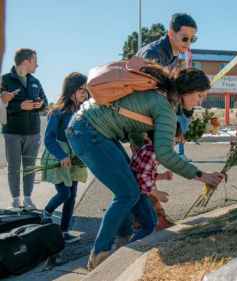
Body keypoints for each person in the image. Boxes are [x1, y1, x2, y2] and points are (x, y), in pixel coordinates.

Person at [66, 65, 224, 270]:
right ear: (186, 91)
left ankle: (124, 246)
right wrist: (202, 176)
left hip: (94, 130)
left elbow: (133, 124)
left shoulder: (160, 96)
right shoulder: (165, 107)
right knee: (127, 194)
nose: (200, 101)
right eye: (199, 95)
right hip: (89, 132)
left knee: (144, 213)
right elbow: (166, 154)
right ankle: (100, 255)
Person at [136, 13, 198, 160]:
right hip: (138, 123)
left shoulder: (173, 56)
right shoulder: (153, 55)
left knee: (147, 178)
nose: (188, 44)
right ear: (171, 34)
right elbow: (150, 96)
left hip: (148, 122)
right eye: (185, 38)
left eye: (192, 39)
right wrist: (173, 128)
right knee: (140, 179)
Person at [40, 72, 89, 244]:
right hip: (58, 155)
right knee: (64, 193)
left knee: (72, 195)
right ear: (71, 90)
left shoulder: (83, 110)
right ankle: (46, 212)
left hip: (74, 156)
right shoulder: (58, 111)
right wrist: (61, 155)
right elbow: (49, 138)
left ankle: (64, 231)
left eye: (86, 89)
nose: (85, 92)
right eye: (81, 89)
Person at [1, 48, 48, 209]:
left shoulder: (35, 81)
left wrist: (40, 105)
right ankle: (15, 200)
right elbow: (1, 107)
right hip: (12, 133)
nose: (37, 65)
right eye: (35, 61)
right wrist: (19, 106)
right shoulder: (5, 80)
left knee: (29, 167)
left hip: (33, 133)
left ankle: (27, 199)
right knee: (13, 167)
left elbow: (45, 104)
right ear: (26, 61)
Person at [129, 130, 175, 240]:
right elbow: (143, 177)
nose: (174, 145)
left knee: (148, 221)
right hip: (136, 190)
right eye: (173, 142)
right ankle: (130, 246)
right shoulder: (151, 151)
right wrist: (157, 194)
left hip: (138, 189)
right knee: (148, 225)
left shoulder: (151, 149)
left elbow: (147, 174)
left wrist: (162, 176)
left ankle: (156, 222)